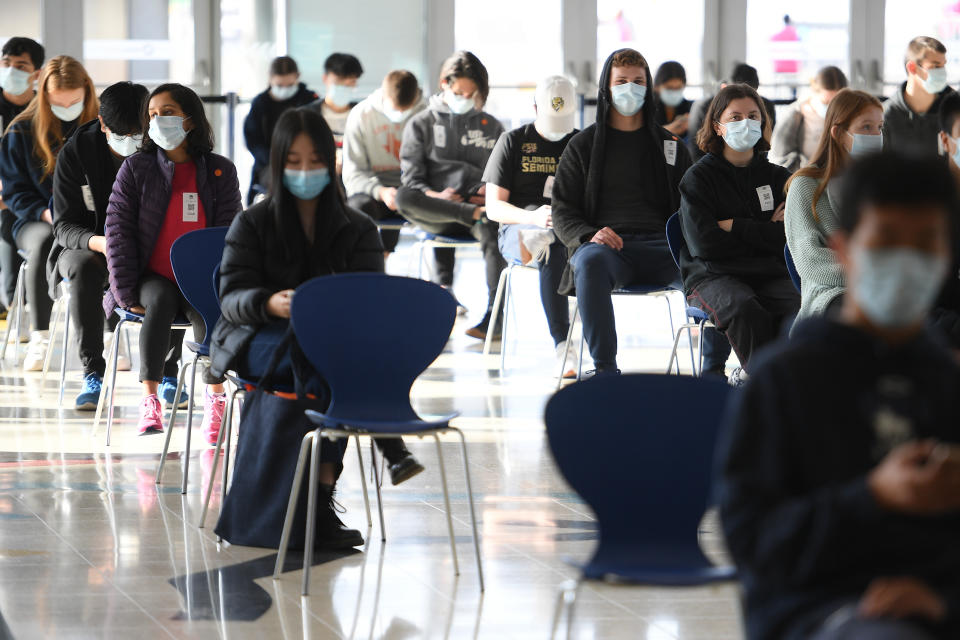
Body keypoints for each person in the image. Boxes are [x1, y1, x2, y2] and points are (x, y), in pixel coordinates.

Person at [717, 153, 960, 640]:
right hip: (818, 610)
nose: (908, 261)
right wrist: (872, 497)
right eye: (887, 241)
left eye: (926, 243)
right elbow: (755, 543)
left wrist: (944, 602)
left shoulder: (945, 381)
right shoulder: (784, 380)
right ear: (844, 250)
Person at [211, 109, 424, 549]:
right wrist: (269, 301)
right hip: (258, 336)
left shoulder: (359, 227)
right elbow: (230, 299)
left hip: (328, 347)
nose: (305, 171)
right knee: (325, 362)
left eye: (315, 161)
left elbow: (370, 302)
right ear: (276, 163)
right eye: (293, 161)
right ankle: (382, 452)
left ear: (331, 162)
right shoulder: (253, 222)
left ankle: (321, 496)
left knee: (328, 362)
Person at [105, 83, 241, 438]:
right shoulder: (136, 168)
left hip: (202, 277)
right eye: (152, 114)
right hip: (153, 276)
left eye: (167, 112)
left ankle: (215, 397)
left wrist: (227, 286)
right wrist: (123, 292)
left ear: (190, 120)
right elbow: (116, 230)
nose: (158, 120)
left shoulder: (219, 171)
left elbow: (232, 236)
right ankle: (149, 400)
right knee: (160, 302)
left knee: (209, 313)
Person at [552, 48, 690, 376]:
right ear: (607, 88)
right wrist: (589, 234)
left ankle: (713, 368)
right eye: (622, 81)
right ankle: (605, 371)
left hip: (664, 247)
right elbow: (562, 209)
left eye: (638, 81)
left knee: (711, 265)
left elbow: (694, 204)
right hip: (611, 248)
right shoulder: (582, 145)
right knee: (588, 260)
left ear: (649, 87)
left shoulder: (670, 144)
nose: (631, 88)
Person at [679, 83, 798, 385]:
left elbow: (790, 237)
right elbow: (706, 244)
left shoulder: (778, 177)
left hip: (770, 273)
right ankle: (760, 385)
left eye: (753, 115)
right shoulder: (698, 179)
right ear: (717, 127)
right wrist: (766, 230)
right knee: (745, 308)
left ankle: (778, 378)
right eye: (735, 117)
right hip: (712, 276)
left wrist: (736, 225)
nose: (745, 122)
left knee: (809, 304)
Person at [51, 81, 148, 410]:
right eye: (122, 133)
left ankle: (168, 375)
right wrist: (101, 243)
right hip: (88, 244)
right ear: (103, 124)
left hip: (143, 246)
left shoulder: (158, 149)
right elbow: (63, 226)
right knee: (83, 267)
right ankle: (93, 370)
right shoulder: (76, 152)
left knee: (172, 265)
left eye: (138, 133)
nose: (131, 141)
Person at [396, 51, 506, 339]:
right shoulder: (420, 124)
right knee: (403, 196)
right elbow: (412, 180)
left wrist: (488, 191)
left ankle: (495, 316)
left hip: (478, 211)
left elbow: (502, 176)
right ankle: (444, 289)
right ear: (444, 83)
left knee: (494, 226)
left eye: (472, 93)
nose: (466, 98)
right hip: (435, 209)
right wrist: (435, 195)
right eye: (460, 92)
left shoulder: (492, 127)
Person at [0, 55, 98, 371]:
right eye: (59, 103)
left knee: (108, 241)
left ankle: (109, 335)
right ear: (43, 96)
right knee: (44, 242)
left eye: (74, 102)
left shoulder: (100, 126)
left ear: (87, 92)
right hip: (31, 218)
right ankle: (40, 337)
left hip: (87, 217)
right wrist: (45, 214)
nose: (67, 110)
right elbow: (14, 193)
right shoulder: (20, 132)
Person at [482, 75, 579, 376]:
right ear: (536, 107)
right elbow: (493, 207)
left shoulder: (580, 142)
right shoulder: (513, 141)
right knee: (546, 241)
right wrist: (533, 217)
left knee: (554, 242)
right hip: (518, 227)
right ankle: (562, 342)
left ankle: (568, 346)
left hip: (566, 228)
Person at [784, 89, 884, 323]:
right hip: (831, 293)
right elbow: (811, 261)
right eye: (866, 127)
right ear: (838, 133)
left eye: (880, 127)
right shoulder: (806, 186)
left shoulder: (881, 185)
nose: (876, 135)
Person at [342, 69, 426, 254]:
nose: (400, 115)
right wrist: (380, 191)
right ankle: (367, 263)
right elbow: (353, 174)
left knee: (446, 206)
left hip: (415, 189)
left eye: (407, 110)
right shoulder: (361, 115)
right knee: (357, 209)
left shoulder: (428, 113)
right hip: (374, 190)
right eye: (396, 110)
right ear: (383, 96)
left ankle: (443, 279)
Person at [0, 37, 44, 319]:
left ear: (36, 73)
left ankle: (18, 304)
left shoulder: (45, 110)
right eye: (6, 64)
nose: (11, 70)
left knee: (12, 219)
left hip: (23, 199)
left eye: (21, 65)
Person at [243, 55, 318, 204]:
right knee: (279, 183)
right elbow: (253, 140)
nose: (284, 90)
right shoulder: (260, 103)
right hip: (269, 164)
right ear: (270, 79)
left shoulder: (309, 100)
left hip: (306, 162)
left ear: (297, 77)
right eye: (279, 85)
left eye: (289, 85)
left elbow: (317, 133)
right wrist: (276, 160)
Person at [687, 63, 778, 161]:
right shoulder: (703, 107)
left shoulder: (766, 106)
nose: (745, 124)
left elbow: (765, 144)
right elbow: (696, 151)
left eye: (752, 116)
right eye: (735, 117)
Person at [884, 36, 957, 157]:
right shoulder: (886, 115)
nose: (942, 72)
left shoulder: (954, 110)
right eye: (936, 66)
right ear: (912, 68)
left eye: (943, 66)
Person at [770, 66, 848, 172]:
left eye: (837, 102)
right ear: (815, 91)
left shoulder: (849, 115)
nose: (832, 107)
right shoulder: (795, 114)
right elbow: (778, 159)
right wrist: (812, 171)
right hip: (805, 180)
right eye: (826, 102)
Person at [306, 52, 364, 170]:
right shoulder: (307, 116)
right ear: (325, 79)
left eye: (351, 82)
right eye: (339, 81)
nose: (344, 87)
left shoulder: (363, 114)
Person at [652, 61, 693, 139]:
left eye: (678, 88)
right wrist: (674, 127)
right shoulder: (647, 108)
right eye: (669, 88)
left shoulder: (690, 108)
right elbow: (644, 136)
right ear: (657, 87)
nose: (674, 92)